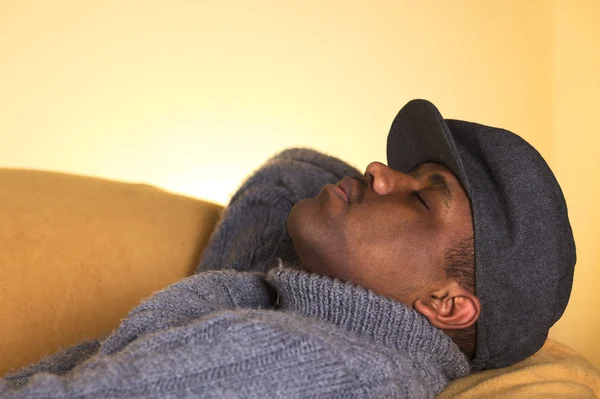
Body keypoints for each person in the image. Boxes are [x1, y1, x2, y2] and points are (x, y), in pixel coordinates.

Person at [0, 99, 575, 398]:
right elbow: (294, 174)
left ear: (446, 304)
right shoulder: (296, 316)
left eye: (423, 200)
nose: (379, 171)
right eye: (407, 171)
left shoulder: (314, 366)